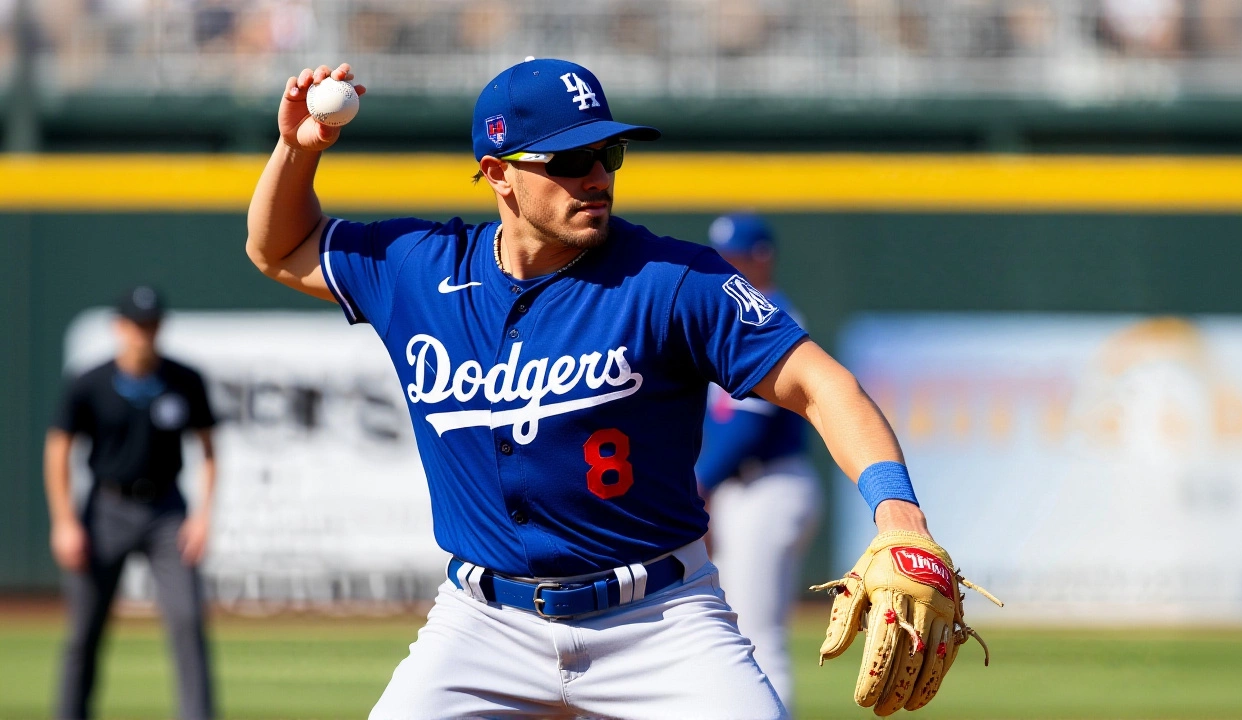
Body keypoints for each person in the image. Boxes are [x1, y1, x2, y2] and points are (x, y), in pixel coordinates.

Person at [246, 58, 958, 718]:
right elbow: (276, 249)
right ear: (498, 173)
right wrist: (297, 150)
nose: (596, 176)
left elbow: (818, 382)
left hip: (660, 617)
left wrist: (898, 514)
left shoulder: (672, 279)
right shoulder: (417, 271)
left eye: (607, 153)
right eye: (568, 160)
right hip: (484, 623)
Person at [45, 286, 217, 720]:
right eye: (136, 324)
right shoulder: (92, 382)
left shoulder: (183, 380)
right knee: (85, 630)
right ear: (119, 327)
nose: (144, 333)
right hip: (107, 508)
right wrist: (64, 521)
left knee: (186, 620)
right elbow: (58, 449)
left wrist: (202, 517)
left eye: (152, 324)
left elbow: (209, 449)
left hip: (167, 509)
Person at [696, 213, 820, 711]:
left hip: (767, 486)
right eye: (722, 258)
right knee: (733, 632)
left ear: (762, 258)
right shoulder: (735, 316)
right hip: (746, 490)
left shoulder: (771, 318)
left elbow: (746, 426)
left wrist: (697, 486)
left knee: (754, 635)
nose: (729, 268)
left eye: (739, 259)